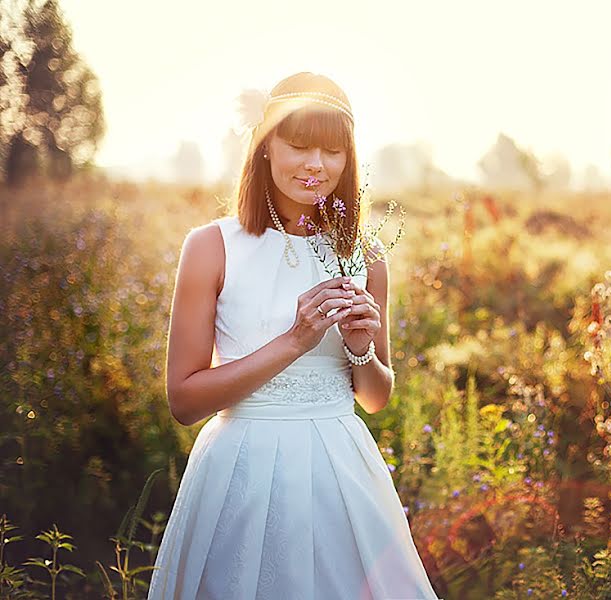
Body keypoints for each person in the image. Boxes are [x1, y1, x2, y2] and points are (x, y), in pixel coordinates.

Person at [147, 71, 441, 599]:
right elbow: (184, 400)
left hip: (340, 469)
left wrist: (361, 351)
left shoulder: (366, 255)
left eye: (332, 151)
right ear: (265, 147)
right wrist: (294, 341)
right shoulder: (212, 246)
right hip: (240, 472)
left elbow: (375, 398)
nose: (316, 165)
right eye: (299, 146)